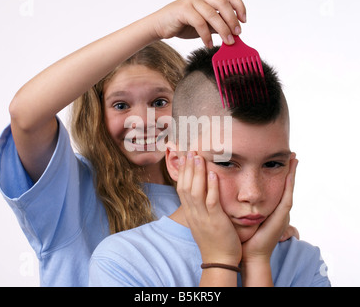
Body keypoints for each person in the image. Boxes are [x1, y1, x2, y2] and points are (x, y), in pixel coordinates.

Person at [0, 0, 255, 287]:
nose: (143, 121)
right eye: (121, 105)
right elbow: (25, 115)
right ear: (96, 116)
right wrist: (156, 26)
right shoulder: (70, 193)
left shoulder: (210, 194)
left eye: (159, 102)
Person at [89, 46, 331, 287]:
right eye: (226, 163)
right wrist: (220, 261)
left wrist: (257, 262)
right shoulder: (122, 262)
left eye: (273, 164)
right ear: (176, 162)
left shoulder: (304, 263)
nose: (252, 193)